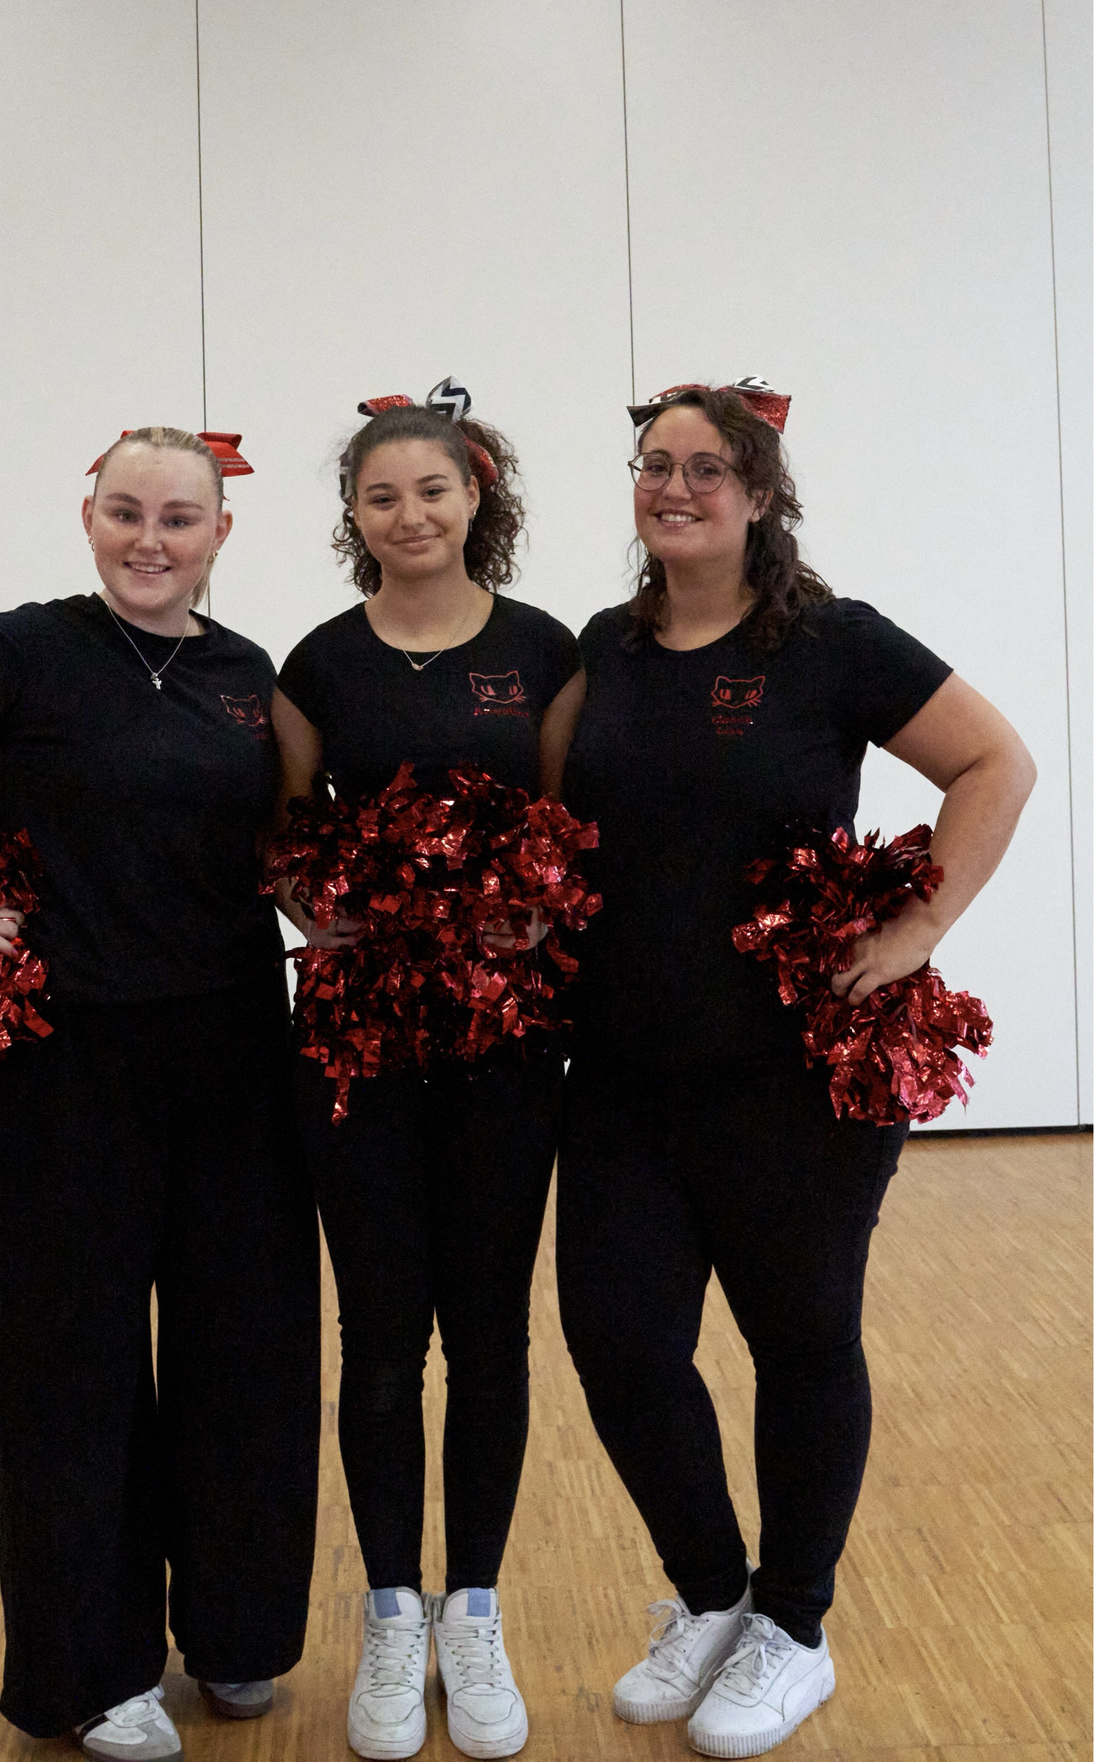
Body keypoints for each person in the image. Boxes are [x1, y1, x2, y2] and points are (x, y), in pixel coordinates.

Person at [0, 427, 321, 1762]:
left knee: (249, 1355)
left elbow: (282, 855)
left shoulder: (247, 675)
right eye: (125, 512)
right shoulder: (21, 649)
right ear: (88, 516)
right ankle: (93, 1672)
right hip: (61, 1071)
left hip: (234, 1061)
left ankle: (238, 1632)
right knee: (69, 1371)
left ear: (221, 534)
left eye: (178, 518)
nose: (150, 539)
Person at [557, 381, 1035, 1758]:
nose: (675, 487)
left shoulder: (833, 642)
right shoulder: (607, 645)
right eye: (655, 464)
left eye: (708, 468)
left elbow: (995, 762)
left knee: (802, 1340)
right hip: (624, 1070)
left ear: (762, 494)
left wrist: (920, 926)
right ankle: (716, 1595)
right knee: (620, 1342)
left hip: (794, 1076)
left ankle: (796, 1626)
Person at [271, 380, 585, 1761]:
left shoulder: (543, 648)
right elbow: (287, 832)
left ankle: (476, 1607)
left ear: (476, 498)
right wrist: (317, 907)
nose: (409, 515)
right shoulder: (319, 662)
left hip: (505, 1038)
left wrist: (535, 914)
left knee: (492, 1331)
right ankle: (393, 1607)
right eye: (381, 496)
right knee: (381, 1332)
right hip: (361, 1040)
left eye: (433, 491)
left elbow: (569, 826)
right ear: (354, 514)